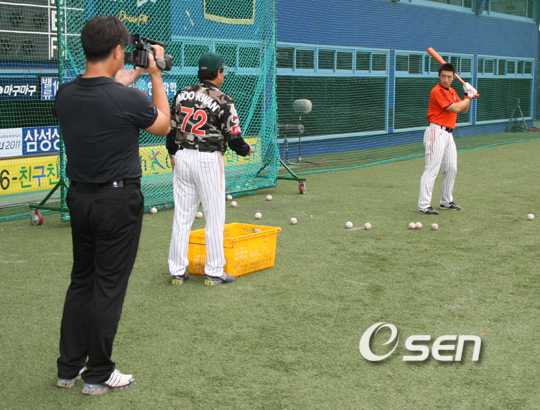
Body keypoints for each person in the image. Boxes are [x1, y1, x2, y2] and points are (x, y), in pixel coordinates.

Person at [52, 16, 170, 395]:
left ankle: (68, 368)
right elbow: (163, 125)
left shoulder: (65, 94)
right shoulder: (126, 99)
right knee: (108, 286)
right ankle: (99, 373)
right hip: (118, 202)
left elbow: (103, 91)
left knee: (82, 281)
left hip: (80, 199)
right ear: (118, 50)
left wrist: (135, 72)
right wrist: (154, 75)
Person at [166, 52, 253, 286]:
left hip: (183, 156)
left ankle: (177, 271)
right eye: (223, 71)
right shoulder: (223, 99)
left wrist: (173, 153)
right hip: (208, 160)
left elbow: (171, 128)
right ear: (218, 73)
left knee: (182, 216)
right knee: (214, 217)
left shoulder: (181, 94)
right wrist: (245, 150)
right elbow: (234, 137)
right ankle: (214, 272)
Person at [417, 63, 477, 214]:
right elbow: (454, 108)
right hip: (436, 131)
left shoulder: (452, 92)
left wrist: (466, 96)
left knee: (451, 168)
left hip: (449, 134)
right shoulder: (437, 91)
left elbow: (463, 109)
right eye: (443, 76)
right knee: (432, 169)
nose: (446, 79)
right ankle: (424, 205)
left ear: (453, 78)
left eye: (449, 77)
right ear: (439, 76)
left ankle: (446, 201)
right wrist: (470, 96)